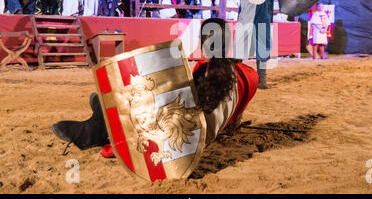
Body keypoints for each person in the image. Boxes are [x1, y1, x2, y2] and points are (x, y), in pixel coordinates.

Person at [51, 18, 258, 156]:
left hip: (183, 139)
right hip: (198, 133)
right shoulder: (249, 75)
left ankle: (94, 129)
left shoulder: (205, 69)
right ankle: (102, 112)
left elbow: (183, 110)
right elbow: (234, 115)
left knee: (140, 97)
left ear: (203, 42)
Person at [194, 0, 318, 89]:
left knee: (263, 51)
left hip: (263, 19)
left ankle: (262, 80)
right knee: (239, 51)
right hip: (245, 19)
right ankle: (235, 79)